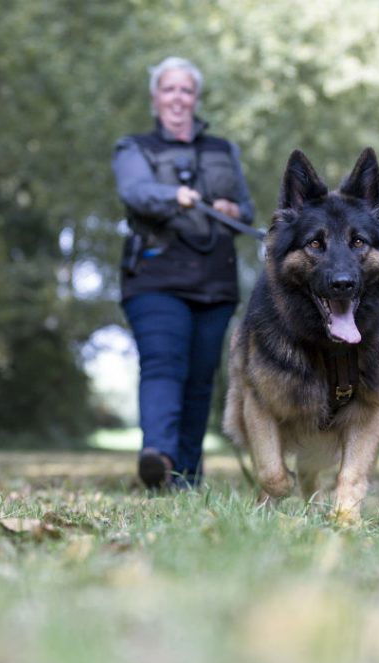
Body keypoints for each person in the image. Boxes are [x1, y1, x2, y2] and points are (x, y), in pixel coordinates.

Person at [112, 56, 255, 489]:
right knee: (163, 363)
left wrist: (233, 210)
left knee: (200, 378)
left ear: (196, 99)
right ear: (156, 99)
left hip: (215, 282)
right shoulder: (134, 148)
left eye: (186, 90)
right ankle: (158, 454)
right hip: (156, 279)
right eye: (169, 89)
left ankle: (187, 477)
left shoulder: (223, 150)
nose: (178, 98)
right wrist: (176, 195)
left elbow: (248, 209)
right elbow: (135, 193)